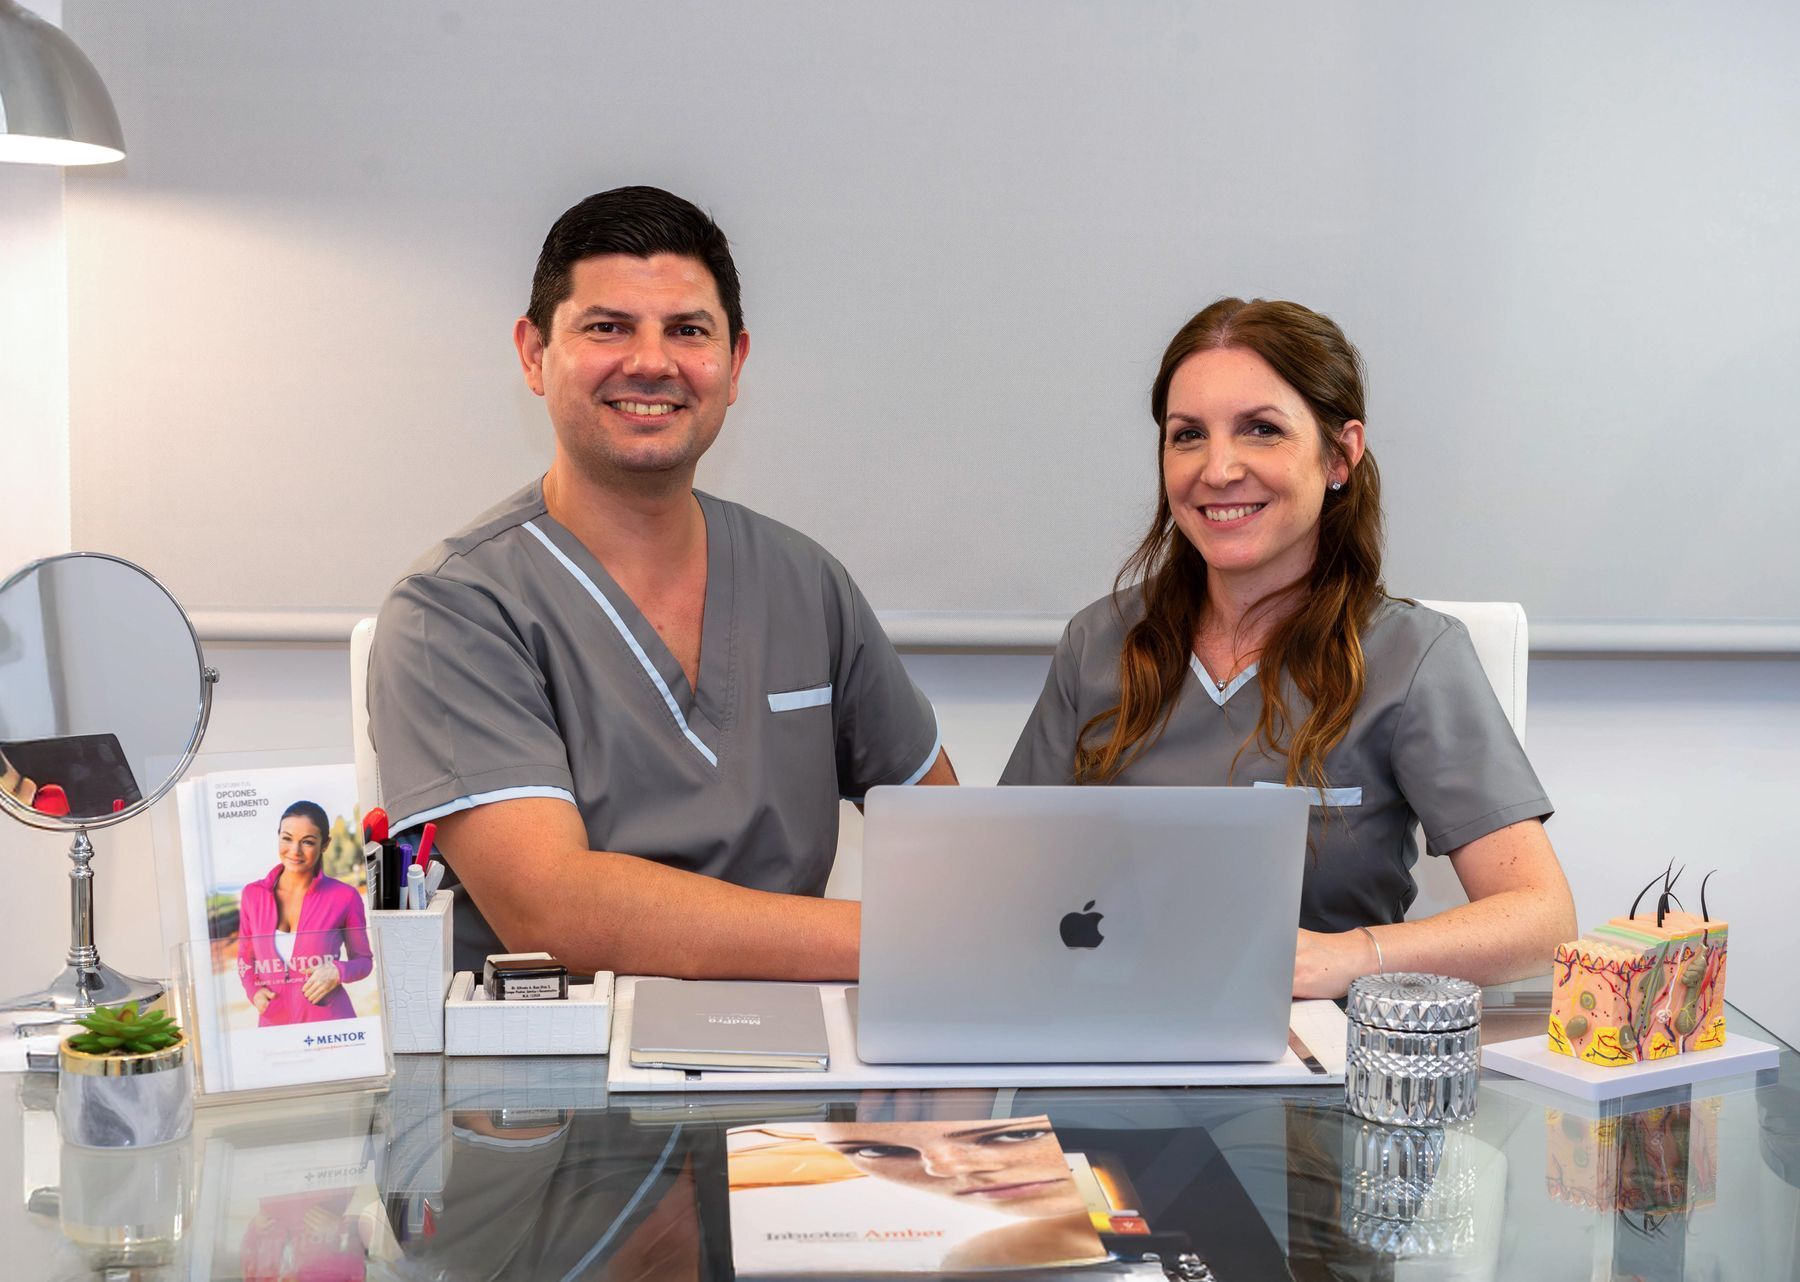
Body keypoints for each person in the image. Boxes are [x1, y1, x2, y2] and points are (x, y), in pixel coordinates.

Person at [368, 186, 955, 980]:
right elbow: (556, 912)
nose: (651, 361)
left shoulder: (806, 582)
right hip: (561, 1087)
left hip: (798, 1070)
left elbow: (951, 846)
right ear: (534, 354)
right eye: (608, 327)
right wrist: (896, 942)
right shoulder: (453, 609)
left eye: (687, 331)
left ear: (735, 364)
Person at [1001, 298, 1576, 998]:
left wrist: (1345, 958)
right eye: (1188, 436)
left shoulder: (1412, 658)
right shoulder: (1098, 642)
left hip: (1313, 1078)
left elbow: (1543, 921)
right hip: (1099, 1042)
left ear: (1341, 454)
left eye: (1261, 430)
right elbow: (1007, 879)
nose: (1217, 469)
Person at [809, 1117, 1104, 1270]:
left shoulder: (999, 1253)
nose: (945, 1169)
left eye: (1019, 1134)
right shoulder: (998, 1254)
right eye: (880, 1150)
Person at [236, 800, 373, 1025]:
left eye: (307, 842)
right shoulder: (253, 895)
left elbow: (364, 961)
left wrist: (338, 971)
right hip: (274, 1029)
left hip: (332, 1026)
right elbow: (245, 958)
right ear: (278, 835)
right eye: (287, 838)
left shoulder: (345, 897)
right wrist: (254, 992)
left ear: (325, 844)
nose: (295, 851)